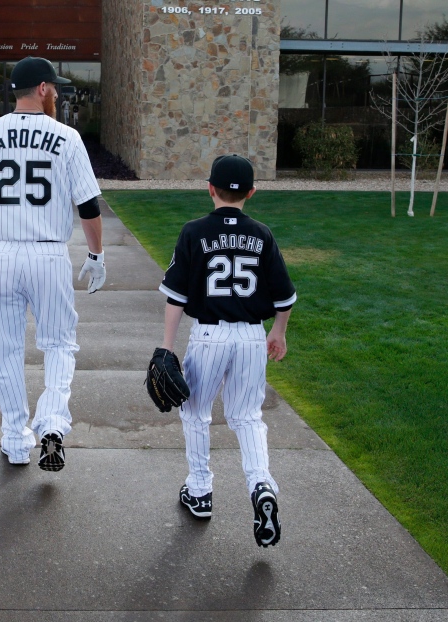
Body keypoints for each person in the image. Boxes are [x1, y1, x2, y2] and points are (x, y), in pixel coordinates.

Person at [0, 56, 105, 472]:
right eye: (55, 87)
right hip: (48, 254)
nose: (56, 92)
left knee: (6, 352)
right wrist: (96, 255)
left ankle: (16, 441)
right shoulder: (67, 137)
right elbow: (87, 206)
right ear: (44, 89)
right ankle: (51, 423)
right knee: (59, 344)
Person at [157, 154, 295, 547]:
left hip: (209, 336)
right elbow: (285, 297)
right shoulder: (262, 234)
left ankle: (200, 492)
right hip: (252, 336)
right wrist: (278, 334)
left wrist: (167, 347)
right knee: (247, 416)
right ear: (251, 192)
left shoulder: (193, 232)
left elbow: (176, 298)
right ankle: (261, 486)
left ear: (210, 189)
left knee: (196, 412)